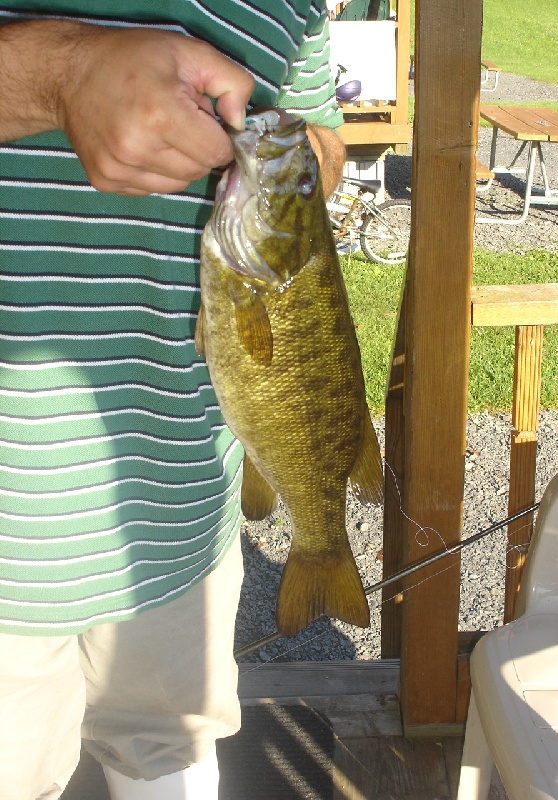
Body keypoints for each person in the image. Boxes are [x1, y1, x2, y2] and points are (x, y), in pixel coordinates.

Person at [0, 3, 346, 799]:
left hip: (184, 514)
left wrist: (291, 153)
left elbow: (322, 141)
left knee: (170, 755)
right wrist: (61, 76)